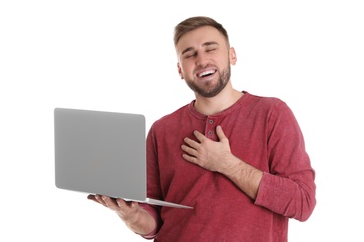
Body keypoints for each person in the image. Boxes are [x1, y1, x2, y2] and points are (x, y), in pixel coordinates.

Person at [88, 16, 316, 241]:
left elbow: (303, 203)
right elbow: (154, 218)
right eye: (190, 54)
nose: (202, 60)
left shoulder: (272, 113)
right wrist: (133, 217)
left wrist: (228, 165)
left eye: (211, 49)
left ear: (232, 55)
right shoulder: (162, 129)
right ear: (180, 70)